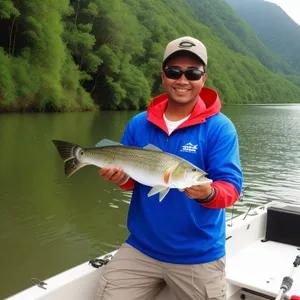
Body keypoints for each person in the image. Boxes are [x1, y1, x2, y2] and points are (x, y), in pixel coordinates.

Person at [95, 36, 243, 300]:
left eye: (192, 72)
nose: (183, 80)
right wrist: (119, 179)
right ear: (163, 77)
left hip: (198, 255)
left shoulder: (220, 128)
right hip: (141, 247)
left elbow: (231, 188)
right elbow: (133, 182)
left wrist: (207, 194)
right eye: (174, 71)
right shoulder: (139, 123)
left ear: (203, 78)